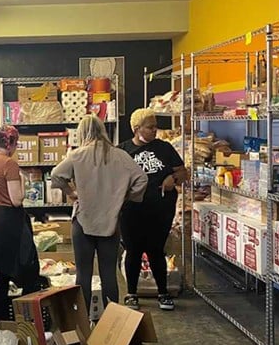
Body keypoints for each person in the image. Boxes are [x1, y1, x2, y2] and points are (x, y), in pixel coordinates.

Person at [51, 115, 147, 311]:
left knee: (83, 275)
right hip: (110, 222)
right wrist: (125, 197)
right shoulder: (120, 155)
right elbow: (142, 179)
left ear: (81, 132)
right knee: (108, 275)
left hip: (83, 221)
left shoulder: (77, 155)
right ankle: (112, 325)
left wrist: (71, 193)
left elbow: (56, 175)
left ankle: (83, 324)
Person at [119, 108, 188, 311]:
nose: (155, 130)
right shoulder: (122, 151)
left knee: (156, 251)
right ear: (136, 128)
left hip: (160, 209)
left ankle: (163, 292)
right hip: (131, 210)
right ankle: (131, 293)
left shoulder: (165, 148)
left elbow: (184, 173)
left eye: (155, 126)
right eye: (150, 127)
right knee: (133, 251)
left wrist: (173, 178)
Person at [0, 125, 41, 319]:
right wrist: (23, 180)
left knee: (3, 274)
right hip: (10, 223)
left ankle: (0, 318)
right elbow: (17, 199)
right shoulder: (9, 164)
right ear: (11, 143)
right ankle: (28, 318)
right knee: (29, 271)